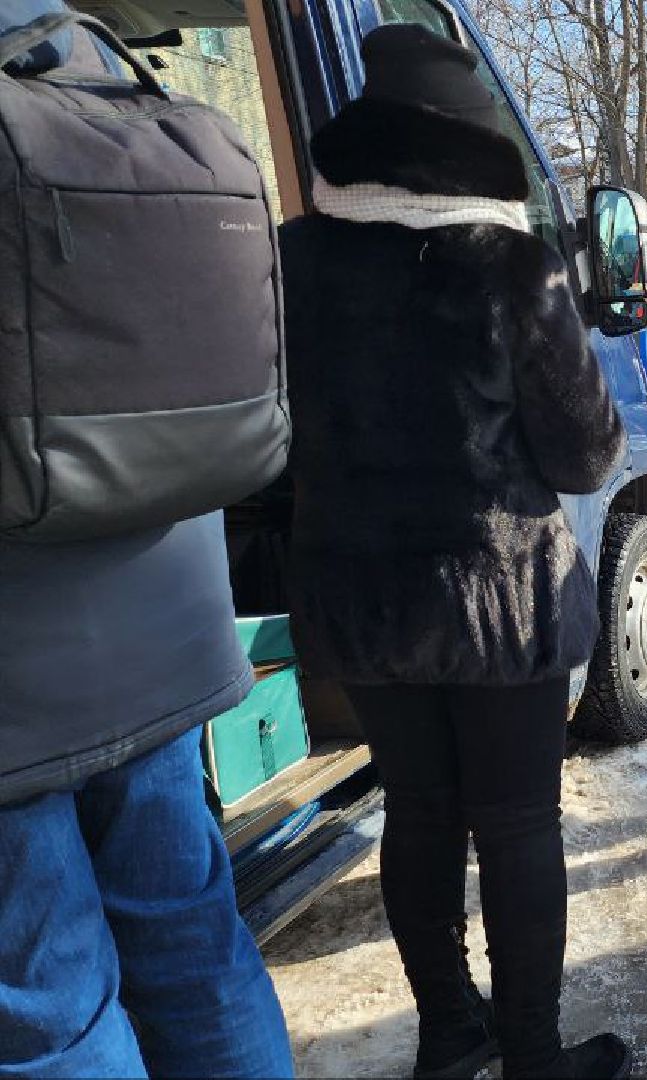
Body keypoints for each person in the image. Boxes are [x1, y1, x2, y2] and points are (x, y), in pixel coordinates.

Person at [278, 25, 629, 1079]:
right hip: (498, 600)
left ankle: (448, 1033)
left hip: (362, 598)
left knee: (419, 812)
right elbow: (585, 453)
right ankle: (531, 1054)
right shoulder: (510, 264)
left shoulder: (293, 256)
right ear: (473, 144)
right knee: (519, 823)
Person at [0, 2, 296, 1074]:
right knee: (196, 947)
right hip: (166, 620)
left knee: (51, 1008)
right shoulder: (109, 80)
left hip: (16, 683)